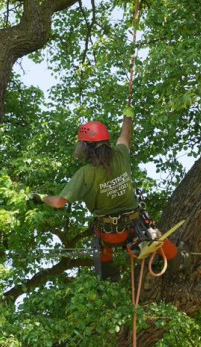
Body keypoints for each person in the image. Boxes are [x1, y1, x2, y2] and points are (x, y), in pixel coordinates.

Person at [33, 107, 180, 281]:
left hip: (109, 234)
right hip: (135, 228)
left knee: (102, 256)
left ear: (86, 147)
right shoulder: (121, 155)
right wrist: (128, 116)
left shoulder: (86, 173)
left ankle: (109, 281)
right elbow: (125, 135)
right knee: (155, 237)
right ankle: (180, 261)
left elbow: (58, 202)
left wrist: (41, 197)